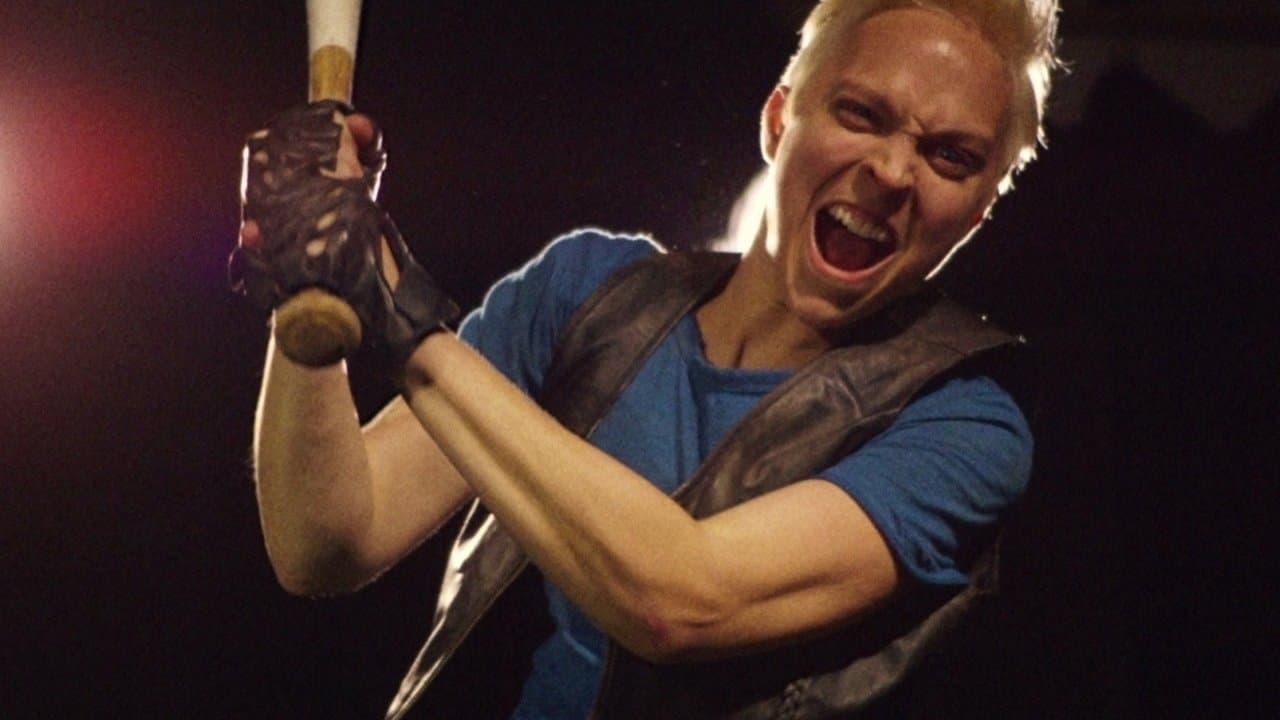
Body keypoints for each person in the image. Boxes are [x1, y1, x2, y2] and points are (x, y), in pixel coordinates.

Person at [231, 0, 1061, 717]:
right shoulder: (586, 290)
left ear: (980, 211)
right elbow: (325, 544)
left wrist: (409, 328)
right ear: (778, 120)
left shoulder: (967, 421)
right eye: (862, 114)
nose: (892, 171)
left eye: (950, 156)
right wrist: (309, 274)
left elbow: (679, 601)